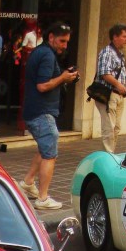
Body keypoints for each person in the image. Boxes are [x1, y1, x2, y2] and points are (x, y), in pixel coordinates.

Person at [18, 22, 79, 210]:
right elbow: (42, 86)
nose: (64, 45)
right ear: (50, 37)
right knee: (49, 154)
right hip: (41, 112)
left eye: (67, 42)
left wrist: (62, 76)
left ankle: (28, 183)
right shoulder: (46, 54)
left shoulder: (42, 52)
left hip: (37, 111)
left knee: (44, 148)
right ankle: (43, 198)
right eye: (62, 41)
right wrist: (63, 78)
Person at [93, 23, 126, 153]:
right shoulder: (107, 52)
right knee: (109, 128)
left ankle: (110, 153)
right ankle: (107, 156)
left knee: (116, 127)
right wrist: (118, 85)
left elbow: (116, 73)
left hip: (118, 95)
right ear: (115, 37)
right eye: (124, 36)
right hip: (108, 94)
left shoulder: (119, 54)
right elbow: (104, 73)